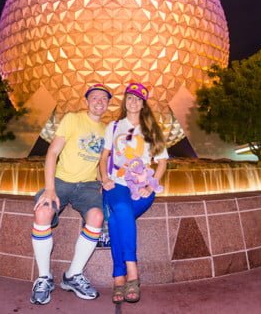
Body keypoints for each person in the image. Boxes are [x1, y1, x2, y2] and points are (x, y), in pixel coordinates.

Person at [30, 83, 112, 305]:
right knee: (43, 213)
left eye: (104, 99)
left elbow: (102, 163)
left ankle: (72, 276)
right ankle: (44, 277)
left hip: (87, 186)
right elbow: (52, 152)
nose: (99, 102)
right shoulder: (72, 119)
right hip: (61, 181)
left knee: (96, 217)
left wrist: (105, 179)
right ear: (87, 101)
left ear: (107, 104)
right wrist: (49, 188)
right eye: (95, 97)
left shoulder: (107, 130)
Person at [99, 82, 168, 304]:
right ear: (125, 101)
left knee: (119, 220)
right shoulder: (114, 125)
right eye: (130, 97)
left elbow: (163, 162)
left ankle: (118, 277)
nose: (133, 102)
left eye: (138, 99)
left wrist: (152, 184)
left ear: (143, 104)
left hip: (142, 186)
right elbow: (104, 158)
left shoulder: (152, 130)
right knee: (121, 209)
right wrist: (105, 178)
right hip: (117, 184)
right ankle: (132, 273)